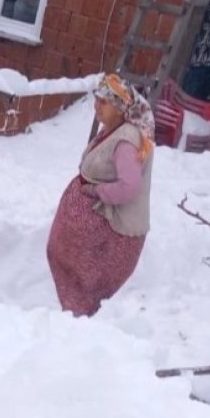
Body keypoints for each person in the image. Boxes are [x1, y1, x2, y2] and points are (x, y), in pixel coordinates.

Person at [46, 74, 154, 317]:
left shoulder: (126, 140)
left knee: (87, 287)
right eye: (96, 100)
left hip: (113, 234)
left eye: (103, 102)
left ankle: (80, 320)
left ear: (120, 107)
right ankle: (76, 315)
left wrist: (96, 192)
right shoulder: (113, 131)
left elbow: (129, 186)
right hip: (100, 229)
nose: (97, 106)